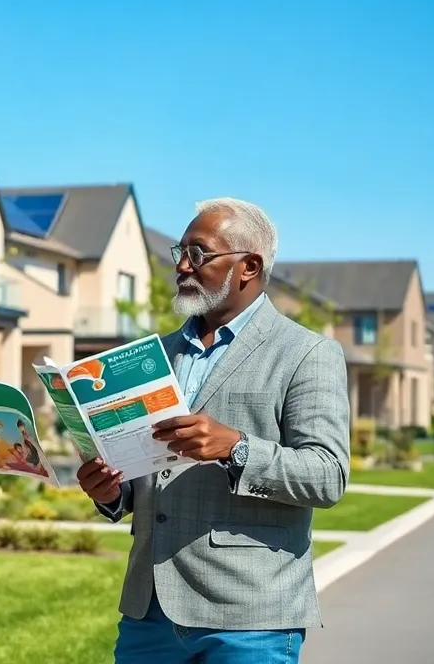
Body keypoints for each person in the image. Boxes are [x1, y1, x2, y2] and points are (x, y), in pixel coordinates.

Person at [76, 198, 350, 664]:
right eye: (180, 252)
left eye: (198, 253)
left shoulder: (307, 353)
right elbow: (147, 471)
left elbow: (327, 476)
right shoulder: (153, 357)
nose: (182, 265)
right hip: (150, 614)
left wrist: (237, 448)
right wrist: (109, 492)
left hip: (249, 619)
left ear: (249, 266)